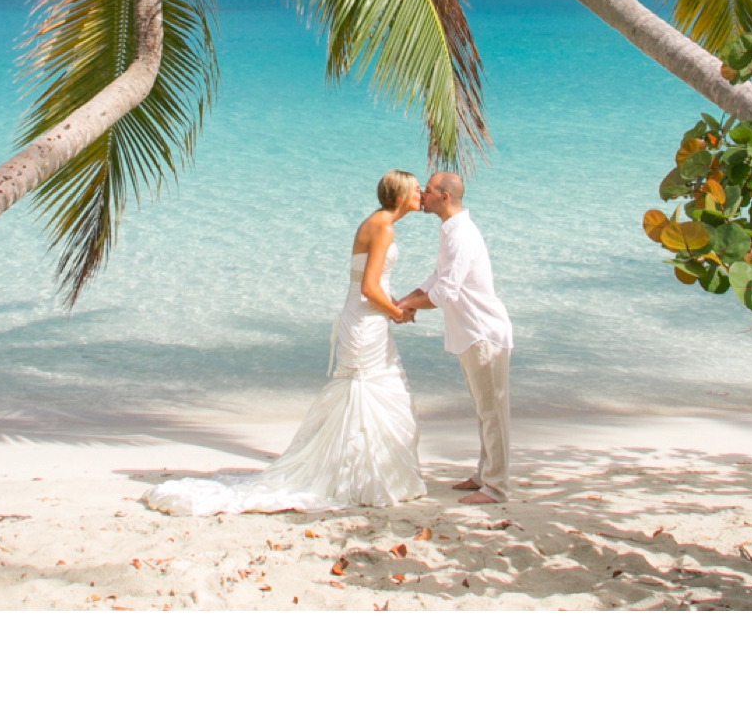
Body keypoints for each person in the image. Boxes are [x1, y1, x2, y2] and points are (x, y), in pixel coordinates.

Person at [144, 170, 427, 515]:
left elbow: (370, 285)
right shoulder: (383, 228)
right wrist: (397, 313)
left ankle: (362, 474)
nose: (421, 193)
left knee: (367, 391)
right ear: (400, 196)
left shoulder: (374, 223)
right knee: (369, 390)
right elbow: (369, 288)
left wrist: (395, 305)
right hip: (366, 321)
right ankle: (364, 478)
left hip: (364, 317)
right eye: (416, 189)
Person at [395, 171, 514, 505]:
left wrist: (408, 306)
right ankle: (485, 474)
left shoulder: (461, 235)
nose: (421, 194)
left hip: (483, 332)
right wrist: (404, 302)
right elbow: (436, 279)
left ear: (444, 197)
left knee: (493, 412)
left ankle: (497, 487)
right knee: (483, 409)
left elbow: (445, 293)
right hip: (471, 333)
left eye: (428, 190)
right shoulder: (450, 231)